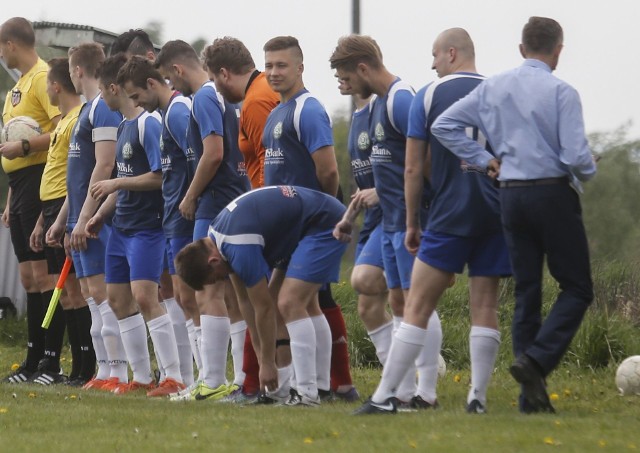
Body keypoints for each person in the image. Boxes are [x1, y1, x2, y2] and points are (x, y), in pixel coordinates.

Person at [432, 17, 597, 413]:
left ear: (522, 49)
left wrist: (486, 159)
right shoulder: (562, 91)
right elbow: (575, 157)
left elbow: (445, 124)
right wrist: (589, 169)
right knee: (577, 287)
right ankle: (536, 360)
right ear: (558, 49)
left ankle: (531, 399)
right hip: (551, 194)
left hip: (510, 195)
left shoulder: (494, 86)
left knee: (528, 291)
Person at [353, 28, 511, 415]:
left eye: (436, 56)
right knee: (485, 305)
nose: (433, 64)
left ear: (452, 53)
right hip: (495, 209)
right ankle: (477, 397)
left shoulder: (428, 94)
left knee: (416, 304)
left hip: (447, 211)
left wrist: (411, 221)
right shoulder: (501, 93)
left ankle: (386, 397)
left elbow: (412, 167)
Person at [330, 34, 442, 409]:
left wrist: (422, 214)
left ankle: (426, 391)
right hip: (392, 221)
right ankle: (404, 391)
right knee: (398, 299)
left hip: (411, 219)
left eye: (346, 75)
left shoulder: (400, 99)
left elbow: (426, 162)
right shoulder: (378, 103)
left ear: (363, 68)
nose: (343, 83)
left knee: (416, 301)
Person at [175, 185, 347, 406]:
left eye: (216, 278)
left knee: (289, 302)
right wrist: (261, 357)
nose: (221, 281)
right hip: (298, 230)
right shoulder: (216, 238)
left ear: (213, 262)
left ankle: (308, 393)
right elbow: (245, 302)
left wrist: (266, 364)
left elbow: (263, 307)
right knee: (282, 306)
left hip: (325, 224)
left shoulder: (238, 246)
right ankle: (282, 391)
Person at [262, 35, 356, 403]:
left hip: (312, 224)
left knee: (288, 303)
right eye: (268, 65)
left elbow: (329, 172)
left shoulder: (308, 109)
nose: (273, 72)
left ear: (300, 67)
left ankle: (308, 391)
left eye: (281, 65)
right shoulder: (275, 112)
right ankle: (320, 385)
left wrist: (320, 215)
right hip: (286, 227)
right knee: (308, 304)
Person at [155, 40, 250, 401]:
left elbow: (213, 153)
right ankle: (240, 379)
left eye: (169, 78)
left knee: (208, 289)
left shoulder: (206, 96)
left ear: (177, 71)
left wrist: (191, 195)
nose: (171, 86)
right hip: (230, 200)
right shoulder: (216, 97)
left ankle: (212, 380)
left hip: (213, 203)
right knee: (231, 292)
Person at [85, 53, 185, 397]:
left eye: (102, 89)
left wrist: (115, 185)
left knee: (145, 296)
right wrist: (101, 214)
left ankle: (173, 375)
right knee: (116, 300)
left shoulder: (147, 124)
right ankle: (140, 377)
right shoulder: (125, 126)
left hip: (147, 227)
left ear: (115, 89)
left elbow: (159, 177)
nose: (101, 96)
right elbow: (124, 178)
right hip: (121, 227)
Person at [45, 43, 128, 391]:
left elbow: (105, 165)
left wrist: (84, 219)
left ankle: (120, 372)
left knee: (104, 295)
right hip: (79, 218)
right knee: (93, 298)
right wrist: (64, 219)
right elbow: (78, 176)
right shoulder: (85, 111)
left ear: (78, 70)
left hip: (97, 222)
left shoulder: (103, 111)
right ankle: (106, 371)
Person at [202, 36, 281, 403]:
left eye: (214, 81)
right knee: (271, 300)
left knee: (269, 299)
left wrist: (265, 205)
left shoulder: (256, 100)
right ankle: (254, 380)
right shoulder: (257, 95)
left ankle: (266, 381)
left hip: (272, 210)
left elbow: (276, 156)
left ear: (223, 74)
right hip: (267, 206)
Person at [117, 55, 199, 387]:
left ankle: (194, 378)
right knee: (180, 297)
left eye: (136, 96)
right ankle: (184, 378)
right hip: (171, 219)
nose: (135, 104)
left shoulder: (176, 113)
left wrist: (191, 198)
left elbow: (202, 158)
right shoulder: (164, 116)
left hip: (182, 218)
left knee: (191, 299)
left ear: (153, 84)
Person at [0, 17, 62, 383]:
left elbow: (59, 128)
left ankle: (48, 362)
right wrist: (9, 198)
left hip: (41, 181)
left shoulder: (42, 76)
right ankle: (32, 358)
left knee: (43, 275)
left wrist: (24, 145)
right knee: (27, 277)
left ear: (10, 44)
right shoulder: (15, 89)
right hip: (19, 185)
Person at [31, 57, 90, 386]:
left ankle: (86, 365)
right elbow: (56, 176)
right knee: (65, 293)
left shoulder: (78, 119)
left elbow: (75, 179)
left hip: (65, 209)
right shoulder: (63, 121)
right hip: (52, 210)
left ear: (55, 85)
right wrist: (43, 220)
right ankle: (74, 367)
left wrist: (63, 216)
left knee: (78, 292)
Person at [331, 79, 391, 371]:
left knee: (365, 280)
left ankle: (418, 366)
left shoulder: (386, 108)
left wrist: (382, 193)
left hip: (395, 214)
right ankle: (400, 371)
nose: (340, 78)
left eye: (344, 71)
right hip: (371, 218)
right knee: (368, 307)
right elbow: (365, 183)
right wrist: (347, 218)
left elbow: (410, 165)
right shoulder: (357, 115)